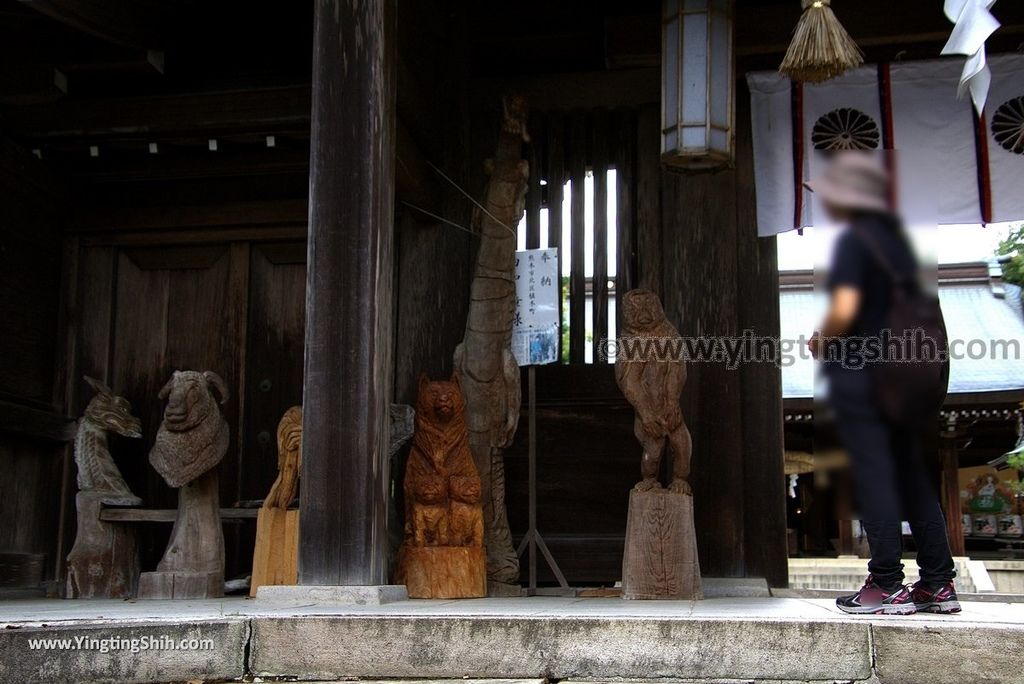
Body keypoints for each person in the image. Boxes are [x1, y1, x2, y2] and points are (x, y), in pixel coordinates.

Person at [806, 152, 960, 616]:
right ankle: (937, 584)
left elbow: (847, 307)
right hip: (914, 378)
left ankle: (887, 585)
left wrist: (820, 339)